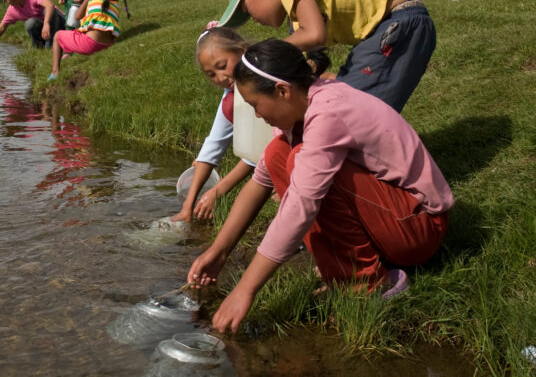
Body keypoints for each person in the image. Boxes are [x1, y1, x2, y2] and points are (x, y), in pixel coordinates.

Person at [187, 38, 453, 333]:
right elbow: (260, 181)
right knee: (277, 154)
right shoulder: (299, 108)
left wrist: (245, 290)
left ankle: (368, 286)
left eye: (255, 105)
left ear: (282, 91)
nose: (257, 115)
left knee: (301, 165)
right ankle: (344, 272)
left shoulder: (329, 114)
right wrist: (219, 251)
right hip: (389, 218)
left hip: (419, 227)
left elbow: (301, 205)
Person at [217, 0, 436, 112]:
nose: (253, 18)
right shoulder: (296, 19)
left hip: (401, 20)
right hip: (387, 26)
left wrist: (267, 52)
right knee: (346, 95)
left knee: (356, 108)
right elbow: (315, 57)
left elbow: (315, 35)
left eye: (247, 9)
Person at [172, 27, 256, 222]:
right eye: (211, 74)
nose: (220, 77)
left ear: (242, 51)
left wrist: (217, 191)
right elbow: (214, 145)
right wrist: (187, 206)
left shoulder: (262, 84)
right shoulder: (231, 96)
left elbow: (258, 154)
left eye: (222, 65)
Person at [47, 0, 129, 81]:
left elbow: (77, 17)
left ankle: (55, 73)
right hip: (108, 46)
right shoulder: (116, 6)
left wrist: (85, 2)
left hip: (90, 45)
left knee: (57, 36)